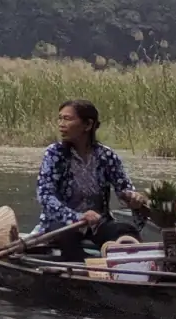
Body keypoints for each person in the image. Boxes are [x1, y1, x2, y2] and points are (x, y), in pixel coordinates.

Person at [37, 99, 146, 256]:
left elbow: (124, 190)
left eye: (67, 119)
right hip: (63, 223)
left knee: (125, 230)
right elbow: (45, 196)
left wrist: (133, 198)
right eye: (60, 118)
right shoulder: (55, 154)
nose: (61, 124)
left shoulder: (106, 155)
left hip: (97, 223)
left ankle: (127, 266)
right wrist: (77, 217)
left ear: (88, 125)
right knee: (67, 237)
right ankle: (83, 270)